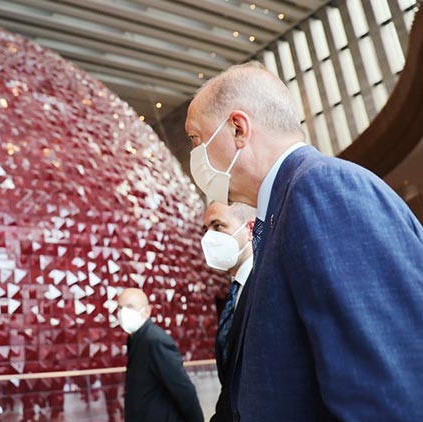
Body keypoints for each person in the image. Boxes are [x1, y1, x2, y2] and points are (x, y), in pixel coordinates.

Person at [185, 61, 423, 420]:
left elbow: (385, 388)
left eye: (195, 139)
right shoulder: (284, 208)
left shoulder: (322, 189)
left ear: (238, 129)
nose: (195, 156)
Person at [200, 202, 254, 422]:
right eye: (205, 230)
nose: (208, 238)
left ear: (250, 229)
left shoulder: (269, 285)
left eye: (218, 226)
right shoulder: (234, 293)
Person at [117, 287, 203, 422]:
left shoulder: (155, 340)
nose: (123, 312)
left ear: (147, 311)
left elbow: (183, 389)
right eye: (120, 308)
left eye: (130, 306)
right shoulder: (136, 339)